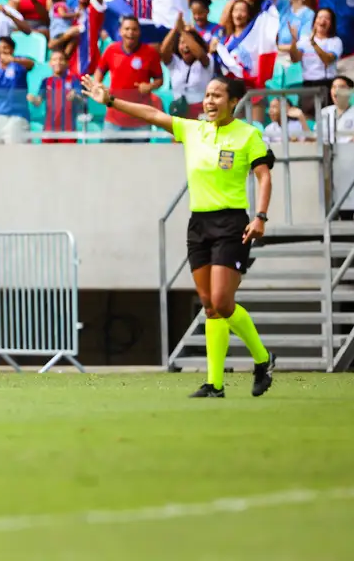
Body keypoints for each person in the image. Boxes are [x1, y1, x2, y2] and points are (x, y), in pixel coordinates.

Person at [81, 74, 276, 398]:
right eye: (208, 95)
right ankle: (215, 384)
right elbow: (152, 115)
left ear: (233, 101)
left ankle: (262, 358)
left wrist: (260, 216)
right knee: (209, 306)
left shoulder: (248, 135)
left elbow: (263, 176)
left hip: (232, 224)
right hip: (198, 224)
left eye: (217, 96)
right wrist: (111, 100)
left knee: (222, 302)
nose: (210, 101)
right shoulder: (193, 129)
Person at [94, 16, 163, 142]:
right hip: (114, 118)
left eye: (134, 29)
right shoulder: (111, 50)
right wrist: (98, 85)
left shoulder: (150, 53)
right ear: (120, 31)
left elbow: (159, 79)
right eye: (127, 29)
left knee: (139, 155)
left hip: (140, 118)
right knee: (108, 153)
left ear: (139, 32)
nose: (130, 32)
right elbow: (99, 71)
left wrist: (150, 86)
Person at [287, 8, 343, 115]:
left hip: (326, 84)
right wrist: (294, 41)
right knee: (308, 117)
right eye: (320, 17)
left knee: (326, 117)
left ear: (332, 23)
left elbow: (328, 60)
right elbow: (295, 59)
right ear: (314, 21)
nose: (322, 21)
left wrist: (313, 43)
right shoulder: (304, 41)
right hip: (308, 85)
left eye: (327, 18)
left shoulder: (335, 41)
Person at [0, 35, 34, 144]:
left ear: (12, 50)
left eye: (5, 47)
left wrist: (13, 60)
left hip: (18, 115)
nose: (2, 51)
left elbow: (31, 64)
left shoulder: (18, 62)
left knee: (14, 150)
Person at [161, 14, 214, 120]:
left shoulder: (206, 61)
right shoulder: (175, 63)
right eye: (182, 43)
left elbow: (200, 54)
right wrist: (176, 29)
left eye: (188, 43)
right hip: (179, 110)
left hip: (201, 111)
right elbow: (163, 51)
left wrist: (182, 31)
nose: (185, 46)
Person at [33, 48, 84, 143]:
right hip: (49, 128)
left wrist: (75, 96)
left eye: (61, 59)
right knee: (46, 152)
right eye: (54, 59)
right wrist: (33, 99)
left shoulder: (74, 80)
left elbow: (81, 99)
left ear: (67, 63)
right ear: (50, 63)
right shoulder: (46, 81)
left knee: (68, 153)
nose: (58, 62)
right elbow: (38, 102)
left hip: (68, 128)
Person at [318, 76, 354, 145]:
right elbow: (317, 139)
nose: (337, 90)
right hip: (327, 150)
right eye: (334, 87)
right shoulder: (324, 112)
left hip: (351, 150)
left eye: (341, 87)